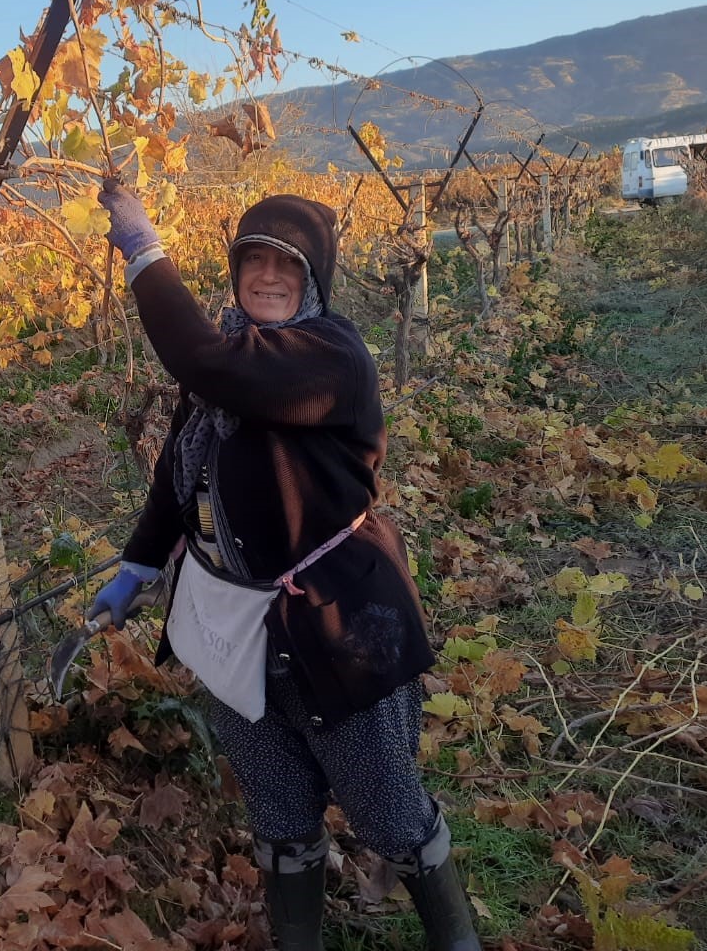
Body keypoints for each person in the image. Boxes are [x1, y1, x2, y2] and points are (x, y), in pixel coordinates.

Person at [86, 184, 481, 951]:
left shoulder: (329, 359)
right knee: (275, 802)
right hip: (234, 628)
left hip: (338, 627)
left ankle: (455, 938)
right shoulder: (229, 364)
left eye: (286, 267)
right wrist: (138, 566)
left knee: (386, 806)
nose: (266, 277)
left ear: (315, 280)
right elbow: (179, 470)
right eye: (252, 260)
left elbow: (204, 362)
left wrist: (144, 253)